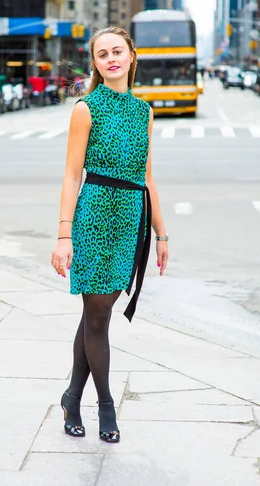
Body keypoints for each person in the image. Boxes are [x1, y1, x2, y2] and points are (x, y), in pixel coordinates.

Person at [51, 26, 169, 444]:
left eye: (117, 51)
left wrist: (161, 233)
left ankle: (70, 396)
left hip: (130, 221)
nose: (111, 59)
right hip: (94, 215)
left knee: (95, 314)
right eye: (102, 54)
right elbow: (70, 176)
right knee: (98, 313)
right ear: (96, 64)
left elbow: (148, 176)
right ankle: (105, 405)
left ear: (132, 55)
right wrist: (64, 235)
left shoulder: (145, 112)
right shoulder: (86, 109)